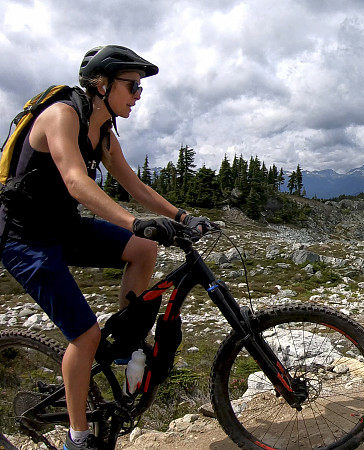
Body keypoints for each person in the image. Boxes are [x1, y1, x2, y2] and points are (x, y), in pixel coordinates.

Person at [0, 45, 211, 450]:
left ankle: (123, 346)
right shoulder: (63, 115)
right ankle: (77, 438)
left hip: (61, 227)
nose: (137, 95)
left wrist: (181, 217)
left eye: (139, 89)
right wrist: (134, 221)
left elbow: (134, 185)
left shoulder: (103, 130)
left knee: (143, 251)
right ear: (102, 84)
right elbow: (77, 181)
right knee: (85, 336)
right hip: (23, 238)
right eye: (132, 86)